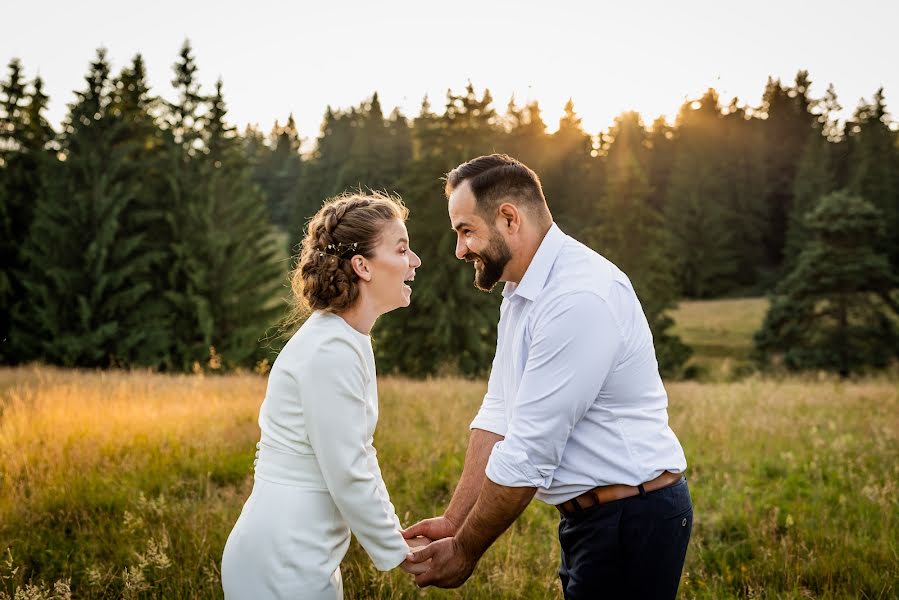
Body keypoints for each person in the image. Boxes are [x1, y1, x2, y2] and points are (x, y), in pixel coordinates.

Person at [402, 154, 693, 599]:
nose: (459, 250)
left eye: (465, 231)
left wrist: (464, 551)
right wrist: (452, 520)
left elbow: (529, 453)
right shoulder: (520, 290)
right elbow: (498, 414)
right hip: (594, 518)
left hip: (633, 519)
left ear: (508, 218)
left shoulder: (578, 297)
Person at [221, 192, 426, 599]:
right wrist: (400, 550)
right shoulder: (329, 349)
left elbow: (358, 456)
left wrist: (393, 533)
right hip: (280, 559)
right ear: (362, 266)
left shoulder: (345, 339)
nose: (415, 261)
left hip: (305, 555)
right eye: (402, 249)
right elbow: (349, 468)